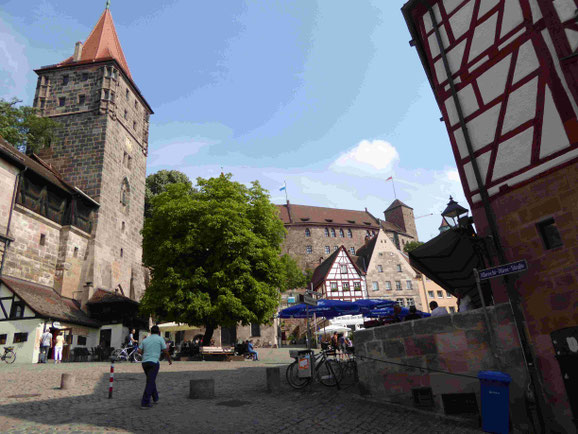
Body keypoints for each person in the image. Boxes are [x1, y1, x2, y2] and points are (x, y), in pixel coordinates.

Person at [137, 325, 172, 409]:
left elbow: (139, 350)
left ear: (151, 332)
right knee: (150, 381)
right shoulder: (160, 339)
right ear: (158, 332)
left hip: (145, 363)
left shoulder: (146, 340)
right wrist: (169, 360)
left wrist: (144, 355)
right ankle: (145, 403)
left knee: (150, 379)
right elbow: (165, 351)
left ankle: (155, 398)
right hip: (154, 362)